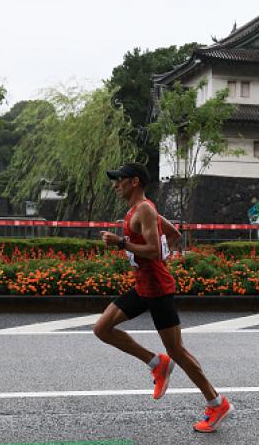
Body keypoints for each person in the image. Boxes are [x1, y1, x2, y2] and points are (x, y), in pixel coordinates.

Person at [95, 162, 233, 433]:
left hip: (157, 290)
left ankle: (216, 402)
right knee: (102, 329)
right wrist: (152, 257)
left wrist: (121, 243)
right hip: (143, 286)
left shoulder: (144, 209)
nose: (115, 185)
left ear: (134, 181)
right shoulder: (140, 209)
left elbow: (154, 251)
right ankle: (157, 363)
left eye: (119, 180)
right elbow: (174, 235)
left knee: (177, 351)